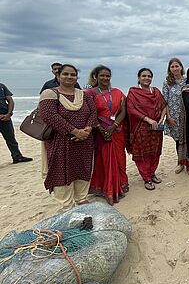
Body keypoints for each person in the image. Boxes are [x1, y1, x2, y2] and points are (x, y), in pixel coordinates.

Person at [39, 64, 97, 210]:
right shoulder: (49, 94)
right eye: (66, 74)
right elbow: (50, 116)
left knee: (83, 169)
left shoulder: (83, 94)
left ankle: (82, 199)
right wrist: (75, 131)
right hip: (61, 142)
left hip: (84, 141)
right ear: (58, 76)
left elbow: (93, 113)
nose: (70, 77)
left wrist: (87, 130)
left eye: (73, 74)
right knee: (61, 171)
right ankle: (67, 206)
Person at [86, 65, 128, 204]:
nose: (105, 78)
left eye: (107, 76)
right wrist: (100, 128)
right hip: (99, 132)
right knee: (102, 160)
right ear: (95, 77)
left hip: (116, 131)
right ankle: (106, 188)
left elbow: (123, 110)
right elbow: (89, 113)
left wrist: (114, 126)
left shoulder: (117, 92)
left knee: (120, 159)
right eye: (102, 75)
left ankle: (121, 184)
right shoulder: (90, 93)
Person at [127, 68, 167, 191]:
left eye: (149, 76)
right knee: (142, 154)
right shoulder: (133, 92)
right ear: (139, 78)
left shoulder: (156, 91)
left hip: (156, 128)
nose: (146, 78)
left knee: (155, 152)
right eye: (144, 76)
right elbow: (131, 109)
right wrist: (148, 119)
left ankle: (152, 173)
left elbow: (164, 105)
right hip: (141, 128)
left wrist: (161, 118)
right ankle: (146, 178)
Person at [162, 58, 189, 174]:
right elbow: (165, 102)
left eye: (176, 66)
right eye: (172, 67)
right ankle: (181, 163)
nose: (175, 68)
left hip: (187, 116)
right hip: (173, 117)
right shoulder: (167, 82)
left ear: (181, 67)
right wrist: (168, 117)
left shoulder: (187, 81)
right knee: (178, 141)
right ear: (169, 69)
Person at [0, 83, 33, 164]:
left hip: (5, 117)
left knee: (11, 138)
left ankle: (17, 157)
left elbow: (10, 100)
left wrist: (9, 114)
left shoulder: (2, 86)